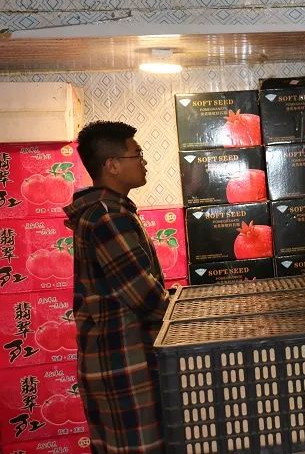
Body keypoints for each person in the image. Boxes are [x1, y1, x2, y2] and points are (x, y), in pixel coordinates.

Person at [65, 121, 170, 453]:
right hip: (124, 360)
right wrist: (188, 318)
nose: (143, 161)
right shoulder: (108, 217)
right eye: (136, 154)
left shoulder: (106, 211)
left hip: (116, 357)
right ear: (112, 165)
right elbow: (146, 297)